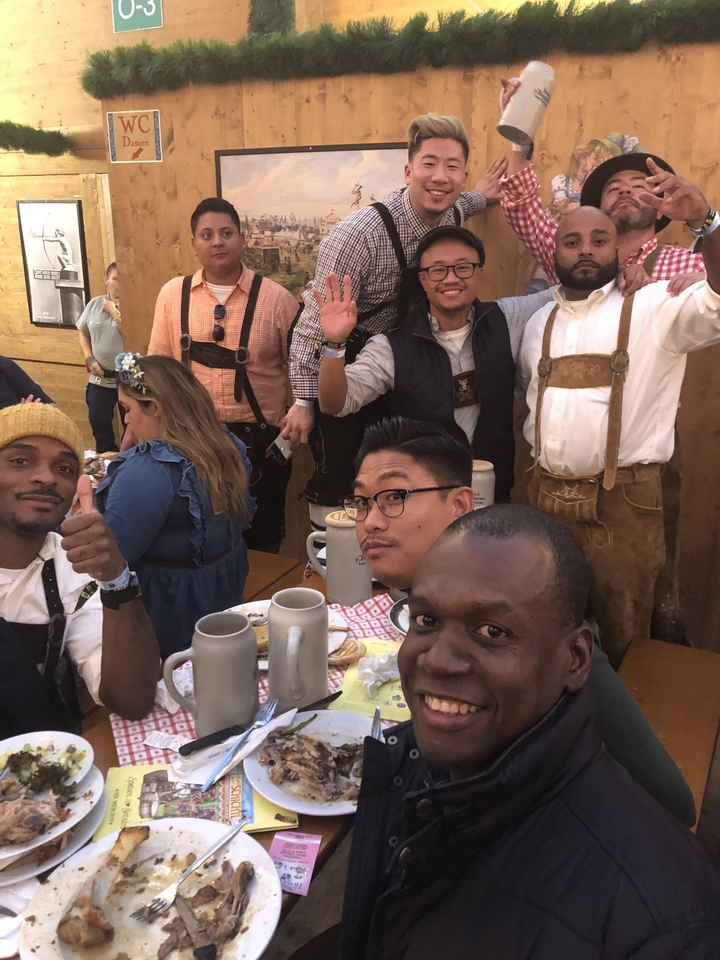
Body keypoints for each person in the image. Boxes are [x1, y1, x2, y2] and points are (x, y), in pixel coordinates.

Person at [336, 505, 720, 960]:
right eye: (426, 620)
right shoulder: (418, 768)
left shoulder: (662, 925)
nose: (438, 659)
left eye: (492, 631)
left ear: (575, 659)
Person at [344, 416, 696, 827]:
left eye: (394, 496)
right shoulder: (413, 607)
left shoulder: (535, 624)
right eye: (362, 502)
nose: (370, 520)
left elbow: (670, 802)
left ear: (459, 505)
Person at [519, 163, 720, 666]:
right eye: (572, 241)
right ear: (555, 253)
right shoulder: (537, 324)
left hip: (625, 507)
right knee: (543, 630)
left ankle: (615, 741)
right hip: (543, 500)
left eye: (599, 240)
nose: (586, 249)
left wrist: (707, 224)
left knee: (622, 641)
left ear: (619, 249)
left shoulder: (656, 307)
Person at [283, 112, 509, 511]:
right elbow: (311, 325)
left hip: (400, 356)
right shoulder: (358, 235)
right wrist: (303, 401)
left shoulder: (450, 211)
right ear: (408, 171)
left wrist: (483, 194)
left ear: (462, 176)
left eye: (452, 167)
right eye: (429, 164)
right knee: (344, 471)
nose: (440, 177)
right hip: (342, 350)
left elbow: (464, 203)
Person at [316, 226, 554, 500]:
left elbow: (571, 291)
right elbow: (335, 403)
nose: (451, 279)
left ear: (479, 272)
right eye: (438, 270)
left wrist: (616, 271)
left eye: (463, 267)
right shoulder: (392, 347)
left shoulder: (508, 318)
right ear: (423, 279)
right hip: (422, 499)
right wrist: (335, 343)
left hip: (493, 493)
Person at [148, 197, 298, 553]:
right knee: (196, 539)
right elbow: (157, 369)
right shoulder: (172, 295)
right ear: (194, 244)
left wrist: (299, 412)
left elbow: (304, 371)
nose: (217, 241)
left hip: (261, 444)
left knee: (260, 540)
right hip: (189, 441)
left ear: (242, 239)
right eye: (207, 234)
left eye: (226, 233)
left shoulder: (277, 300)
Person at [0, 402, 159, 736]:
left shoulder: (70, 571)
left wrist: (116, 578)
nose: (46, 477)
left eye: (65, 468)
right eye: (19, 460)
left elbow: (132, 700)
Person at [95, 353, 255, 659]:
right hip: (222, 596)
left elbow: (113, 558)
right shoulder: (226, 446)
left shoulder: (151, 471)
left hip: (170, 614)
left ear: (154, 407)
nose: (126, 420)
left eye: (127, 409)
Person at [498, 78, 706, 290]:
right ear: (598, 211)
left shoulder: (693, 264)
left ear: (660, 211)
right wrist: (520, 129)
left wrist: (703, 221)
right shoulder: (570, 255)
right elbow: (521, 204)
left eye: (639, 187)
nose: (625, 190)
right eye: (613, 188)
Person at [76, 262, 126, 453]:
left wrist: (114, 311)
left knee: (131, 426)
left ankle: (129, 462)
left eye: (122, 280)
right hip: (100, 377)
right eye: (115, 279)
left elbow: (131, 333)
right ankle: (105, 462)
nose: (118, 284)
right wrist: (89, 357)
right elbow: (83, 332)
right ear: (106, 281)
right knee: (98, 421)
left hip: (127, 379)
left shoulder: (135, 306)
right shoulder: (95, 304)